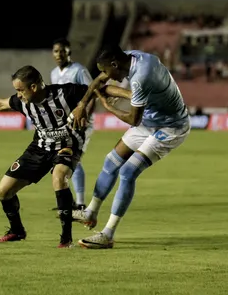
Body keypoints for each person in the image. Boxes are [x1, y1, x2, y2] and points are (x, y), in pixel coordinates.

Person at [68, 45, 191, 249]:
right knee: (110, 161)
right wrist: (82, 105)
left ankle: (107, 234)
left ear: (115, 64)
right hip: (150, 120)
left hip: (170, 126)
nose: (108, 76)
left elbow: (133, 119)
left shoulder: (141, 77)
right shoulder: (132, 56)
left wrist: (108, 106)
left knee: (127, 172)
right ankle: (90, 212)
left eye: (108, 71)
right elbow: (100, 81)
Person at [0, 65, 90, 248]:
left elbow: (96, 89)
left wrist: (84, 106)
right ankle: (17, 231)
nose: (18, 95)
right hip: (39, 149)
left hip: (67, 146)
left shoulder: (65, 93)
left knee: (59, 177)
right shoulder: (22, 102)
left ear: (34, 87)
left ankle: (66, 239)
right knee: (3, 191)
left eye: (20, 90)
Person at [50, 38, 94, 210]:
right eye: (56, 51)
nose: (59, 54)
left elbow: (92, 93)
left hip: (80, 122)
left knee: (73, 160)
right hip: (65, 124)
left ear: (69, 52)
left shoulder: (79, 70)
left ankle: (81, 203)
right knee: (65, 159)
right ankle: (72, 202)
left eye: (63, 50)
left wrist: (85, 116)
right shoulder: (54, 73)